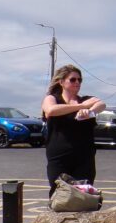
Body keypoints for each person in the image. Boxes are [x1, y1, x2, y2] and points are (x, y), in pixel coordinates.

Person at [41, 66, 105, 195]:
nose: (77, 82)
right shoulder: (52, 99)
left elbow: (101, 104)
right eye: (73, 79)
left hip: (84, 157)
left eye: (80, 80)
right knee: (59, 194)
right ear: (61, 82)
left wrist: (90, 111)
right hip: (59, 157)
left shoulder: (86, 100)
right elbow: (51, 110)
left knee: (84, 195)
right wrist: (81, 106)